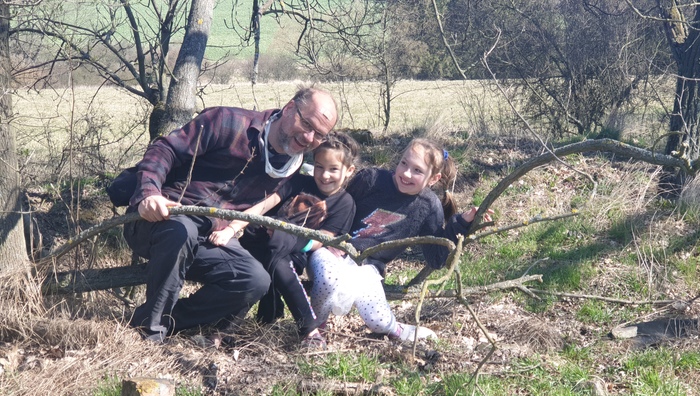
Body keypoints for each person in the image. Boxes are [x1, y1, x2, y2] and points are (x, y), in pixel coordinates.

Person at [123, 87, 338, 343]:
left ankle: (159, 319)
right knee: (182, 231)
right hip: (162, 218)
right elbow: (165, 149)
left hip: (212, 234)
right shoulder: (228, 122)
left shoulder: (290, 165)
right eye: (307, 124)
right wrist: (149, 193)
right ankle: (152, 331)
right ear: (290, 108)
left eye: (319, 135)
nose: (309, 137)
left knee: (254, 280)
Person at [308, 138, 492, 346]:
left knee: (378, 321)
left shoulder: (428, 206)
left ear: (433, 178)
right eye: (404, 163)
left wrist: (462, 223)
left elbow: (437, 258)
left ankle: (396, 329)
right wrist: (328, 237)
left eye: (417, 170)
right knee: (328, 280)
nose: (406, 173)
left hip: (367, 268)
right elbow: (338, 203)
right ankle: (314, 327)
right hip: (332, 251)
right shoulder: (371, 179)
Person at [209, 132, 359, 350]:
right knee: (255, 268)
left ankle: (309, 329)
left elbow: (323, 239)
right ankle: (233, 326)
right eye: (319, 167)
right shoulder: (299, 182)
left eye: (333, 169)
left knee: (277, 261)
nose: (325, 175)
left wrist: (291, 240)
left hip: (294, 251)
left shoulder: (344, 203)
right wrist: (232, 228)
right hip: (261, 240)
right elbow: (263, 206)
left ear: (349, 171)